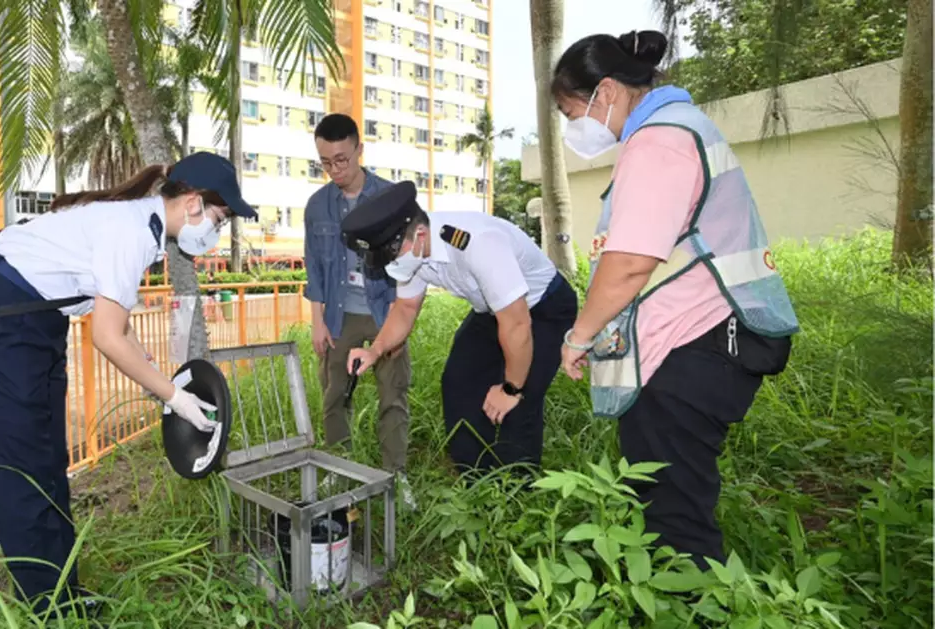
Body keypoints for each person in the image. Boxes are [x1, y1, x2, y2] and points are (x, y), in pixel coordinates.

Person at [0, 152, 258, 615]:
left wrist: (150, 364)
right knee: (21, 471)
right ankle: (45, 612)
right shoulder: (131, 231)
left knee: (49, 461)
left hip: (32, 322)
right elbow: (107, 337)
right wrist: (173, 396)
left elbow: (119, 322)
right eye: (220, 217)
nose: (217, 230)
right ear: (192, 203)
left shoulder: (142, 225)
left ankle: (63, 595)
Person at [552, 30, 798, 569]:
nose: (576, 129)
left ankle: (690, 604)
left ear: (607, 92)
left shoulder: (659, 141)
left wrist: (579, 337)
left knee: (674, 516)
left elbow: (630, 262)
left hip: (695, 346)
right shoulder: (680, 130)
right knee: (674, 496)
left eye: (574, 113)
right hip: (706, 342)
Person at [342, 181, 577, 475]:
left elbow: (517, 324)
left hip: (543, 308)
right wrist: (374, 351)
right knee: (458, 382)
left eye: (392, 254)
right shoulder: (412, 254)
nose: (391, 265)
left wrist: (510, 388)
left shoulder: (478, 244)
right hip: (492, 310)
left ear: (421, 234)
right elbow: (405, 309)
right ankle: (473, 478)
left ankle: (518, 495)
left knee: (518, 403)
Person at [303, 113, 415, 508]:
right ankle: (339, 469)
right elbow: (313, 267)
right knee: (335, 396)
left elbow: (408, 266)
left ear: (359, 150)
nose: (334, 169)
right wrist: (317, 322)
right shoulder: (317, 206)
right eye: (325, 162)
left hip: (384, 310)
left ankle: (395, 476)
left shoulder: (390, 197)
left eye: (342, 160)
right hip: (338, 316)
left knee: (392, 395)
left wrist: (399, 328)